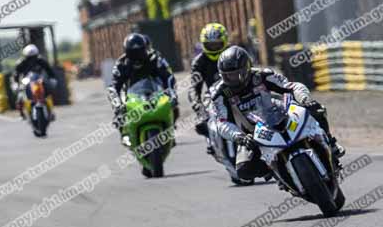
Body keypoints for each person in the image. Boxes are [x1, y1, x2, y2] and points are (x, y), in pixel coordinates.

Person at [210, 46, 345, 182]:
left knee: (317, 109)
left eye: (234, 74)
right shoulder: (220, 94)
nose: (231, 79)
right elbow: (222, 122)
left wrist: (305, 99)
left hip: (279, 116)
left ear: (246, 68)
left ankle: (331, 144)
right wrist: (239, 137)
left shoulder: (262, 75)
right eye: (226, 76)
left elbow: (291, 86)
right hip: (252, 134)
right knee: (244, 171)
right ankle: (277, 171)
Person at [108, 33, 178, 126]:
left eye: (140, 52)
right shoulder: (121, 65)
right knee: (120, 119)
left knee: (174, 108)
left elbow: (168, 76)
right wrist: (118, 106)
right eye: (133, 53)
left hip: (155, 93)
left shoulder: (155, 59)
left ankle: (170, 129)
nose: (137, 56)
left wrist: (171, 93)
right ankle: (125, 137)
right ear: (127, 52)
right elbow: (113, 87)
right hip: (130, 98)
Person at [188, 23, 230, 154]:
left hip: (237, 92)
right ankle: (211, 140)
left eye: (217, 44)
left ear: (224, 42)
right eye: (210, 44)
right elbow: (194, 87)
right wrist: (196, 103)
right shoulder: (199, 62)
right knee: (201, 122)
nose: (214, 47)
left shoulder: (234, 53)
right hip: (213, 96)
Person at [12, 44, 57, 120]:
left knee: (49, 92)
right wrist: (16, 83)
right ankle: (21, 114)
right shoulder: (21, 63)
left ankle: (51, 112)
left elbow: (49, 70)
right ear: (25, 56)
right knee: (20, 96)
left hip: (39, 80)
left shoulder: (41, 61)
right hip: (26, 81)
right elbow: (16, 74)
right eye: (29, 58)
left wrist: (52, 79)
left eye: (33, 57)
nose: (32, 60)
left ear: (36, 55)